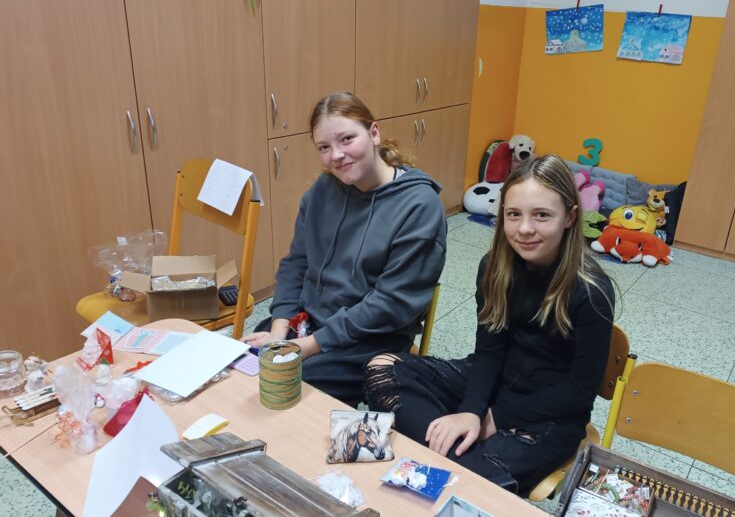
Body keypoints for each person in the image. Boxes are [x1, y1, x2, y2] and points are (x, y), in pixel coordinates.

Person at [364, 155, 615, 496]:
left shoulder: (591, 290)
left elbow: (579, 392)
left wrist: (494, 418)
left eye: (542, 215)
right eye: (514, 214)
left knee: (478, 480)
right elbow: (489, 352)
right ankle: (450, 455)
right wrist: (471, 411)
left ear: (570, 217)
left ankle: (445, 459)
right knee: (382, 368)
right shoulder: (495, 267)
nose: (524, 228)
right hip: (496, 381)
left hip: (550, 412)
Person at [245, 91, 447, 406]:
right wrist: (279, 329)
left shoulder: (419, 206)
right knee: (244, 368)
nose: (336, 155)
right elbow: (296, 264)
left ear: (374, 133)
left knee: (286, 392)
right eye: (324, 147)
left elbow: (389, 305)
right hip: (310, 321)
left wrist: (309, 345)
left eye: (347, 139)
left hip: (371, 337)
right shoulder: (322, 191)